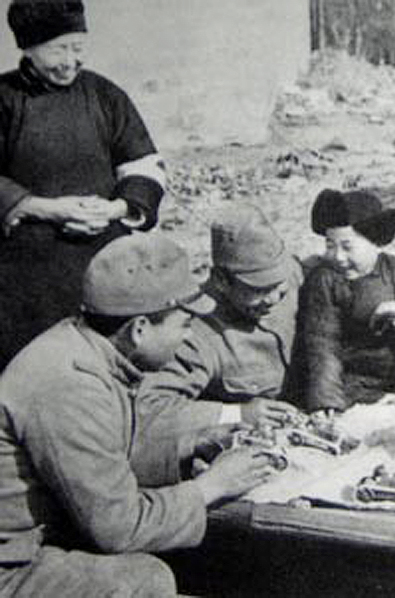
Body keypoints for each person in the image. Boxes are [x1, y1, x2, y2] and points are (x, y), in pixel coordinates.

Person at [0, 233, 275, 597]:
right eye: (185, 324)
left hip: (32, 542)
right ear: (140, 329)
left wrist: (188, 446)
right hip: (10, 566)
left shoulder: (84, 350)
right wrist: (211, 487)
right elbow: (118, 529)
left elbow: (104, 460)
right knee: (143, 580)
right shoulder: (71, 385)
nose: (188, 338)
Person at [0, 0, 165, 368]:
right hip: (26, 272)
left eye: (78, 47)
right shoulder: (5, 99)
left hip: (105, 257)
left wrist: (115, 208)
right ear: (28, 48)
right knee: (33, 364)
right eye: (59, 49)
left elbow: (145, 165)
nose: (71, 61)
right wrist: (47, 209)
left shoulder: (104, 94)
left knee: (108, 356)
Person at [137, 205, 303, 434]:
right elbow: (152, 409)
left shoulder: (293, 274)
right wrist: (237, 414)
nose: (274, 299)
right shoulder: (195, 332)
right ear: (221, 281)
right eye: (259, 290)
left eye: (279, 286)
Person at [293, 188, 395, 413]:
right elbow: (323, 344)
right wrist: (327, 402)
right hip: (347, 381)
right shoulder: (325, 280)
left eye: (347, 247)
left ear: (375, 242)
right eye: (330, 245)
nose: (338, 257)